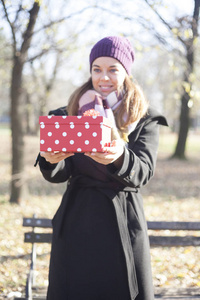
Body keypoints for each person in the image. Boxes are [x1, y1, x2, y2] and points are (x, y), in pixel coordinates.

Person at [38, 36, 168, 300]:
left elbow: (143, 172)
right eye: (97, 69)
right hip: (77, 220)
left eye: (113, 69)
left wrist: (119, 154)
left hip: (122, 219)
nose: (103, 77)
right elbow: (60, 172)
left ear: (126, 73)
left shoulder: (143, 118)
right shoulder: (66, 114)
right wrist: (50, 160)